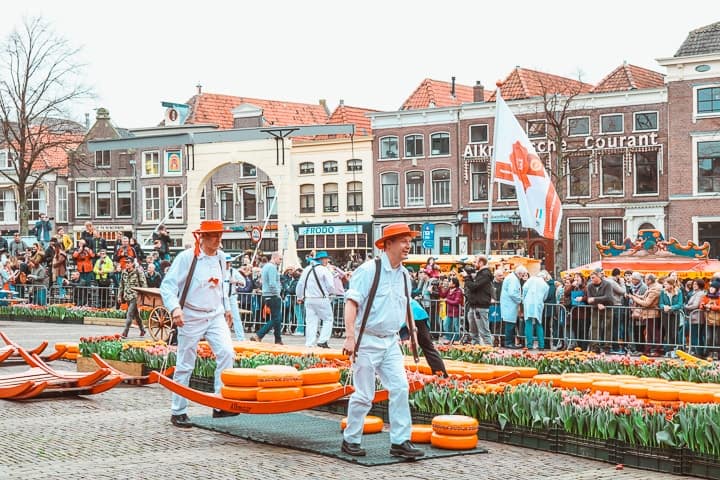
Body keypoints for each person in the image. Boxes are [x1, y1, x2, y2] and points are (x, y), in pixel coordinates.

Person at [341, 222, 424, 459]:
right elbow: (351, 302)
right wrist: (350, 337)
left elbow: (406, 303)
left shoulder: (405, 275)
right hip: (366, 340)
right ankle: (351, 439)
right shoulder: (369, 270)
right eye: (403, 241)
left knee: (400, 388)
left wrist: (413, 331)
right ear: (388, 244)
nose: (408, 245)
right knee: (364, 394)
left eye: (409, 241)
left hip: (390, 342)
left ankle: (400, 441)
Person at [160, 220, 236, 427]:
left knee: (227, 353)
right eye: (213, 236)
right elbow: (167, 286)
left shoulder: (221, 257)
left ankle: (220, 403)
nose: (218, 239)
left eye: (220, 235)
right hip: (191, 316)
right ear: (201, 237)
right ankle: (178, 410)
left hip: (215, 314)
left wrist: (227, 308)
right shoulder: (187, 258)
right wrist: (175, 309)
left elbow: (223, 285)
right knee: (186, 363)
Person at [296, 251, 336, 348]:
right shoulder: (324, 270)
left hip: (308, 299)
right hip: (321, 298)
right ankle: (322, 340)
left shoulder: (307, 269)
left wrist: (299, 296)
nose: (327, 260)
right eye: (326, 259)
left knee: (311, 321)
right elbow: (331, 286)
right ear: (321, 260)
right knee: (328, 319)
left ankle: (309, 343)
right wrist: (331, 293)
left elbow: (300, 284)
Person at [250, 252, 284, 345]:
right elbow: (272, 283)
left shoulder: (265, 267)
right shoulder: (272, 267)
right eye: (280, 259)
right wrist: (277, 293)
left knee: (276, 317)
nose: (281, 261)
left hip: (267, 294)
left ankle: (278, 339)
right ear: (275, 258)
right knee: (276, 318)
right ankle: (259, 335)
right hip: (272, 295)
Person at [462, 255, 494, 345]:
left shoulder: (485, 274)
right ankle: (475, 352)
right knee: (473, 333)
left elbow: (474, 286)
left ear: (481, 263)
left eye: (475, 262)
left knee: (484, 332)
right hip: (473, 306)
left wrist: (466, 277)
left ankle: (490, 353)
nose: (473, 264)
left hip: (480, 307)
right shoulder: (480, 274)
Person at [500, 265, 526, 349]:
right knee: (510, 324)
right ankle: (509, 342)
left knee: (509, 324)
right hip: (510, 305)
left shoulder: (512, 278)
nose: (522, 277)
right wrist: (520, 299)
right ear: (519, 273)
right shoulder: (513, 279)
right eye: (522, 275)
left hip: (509, 304)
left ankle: (508, 342)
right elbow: (512, 293)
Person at [224, 254, 246, 340]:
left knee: (236, 317)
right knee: (220, 318)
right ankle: (224, 337)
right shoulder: (218, 271)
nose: (227, 264)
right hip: (220, 298)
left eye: (228, 262)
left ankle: (241, 338)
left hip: (231, 297)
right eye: (226, 262)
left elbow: (243, 283)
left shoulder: (233, 271)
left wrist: (235, 281)